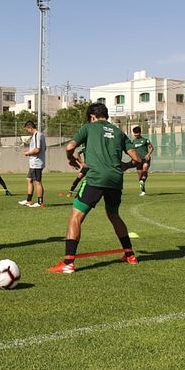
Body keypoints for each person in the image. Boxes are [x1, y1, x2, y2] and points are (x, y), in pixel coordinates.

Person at [49, 102, 142, 273]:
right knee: (114, 215)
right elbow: (137, 159)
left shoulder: (88, 128)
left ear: (92, 117)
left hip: (95, 178)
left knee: (76, 216)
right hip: (115, 180)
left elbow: (70, 147)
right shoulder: (118, 132)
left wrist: (70, 158)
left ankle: (68, 262)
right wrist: (125, 166)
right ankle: (130, 255)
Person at [18, 121, 46, 208]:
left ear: (30, 127)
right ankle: (29, 200)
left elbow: (38, 150)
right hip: (33, 162)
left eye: (27, 129)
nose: (27, 131)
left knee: (38, 181)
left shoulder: (37, 135)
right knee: (29, 179)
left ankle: (40, 202)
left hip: (37, 163)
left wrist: (28, 153)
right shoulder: (36, 135)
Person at [130, 126, 154, 196]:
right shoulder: (133, 142)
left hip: (145, 159)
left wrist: (148, 154)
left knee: (145, 167)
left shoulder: (145, 140)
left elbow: (151, 148)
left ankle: (143, 180)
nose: (136, 134)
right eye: (135, 133)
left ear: (140, 133)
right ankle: (143, 190)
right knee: (140, 176)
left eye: (137, 133)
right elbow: (131, 151)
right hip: (138, 160)